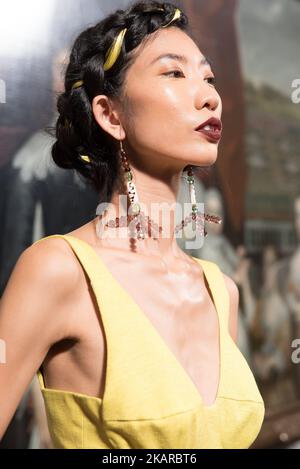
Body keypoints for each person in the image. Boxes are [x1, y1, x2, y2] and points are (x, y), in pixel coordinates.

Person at [0, 1, 265, 449]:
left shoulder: (221, 292)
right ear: (111, 115)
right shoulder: (59, 270)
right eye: (174, 73)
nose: (209, 96)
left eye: (208, 77)